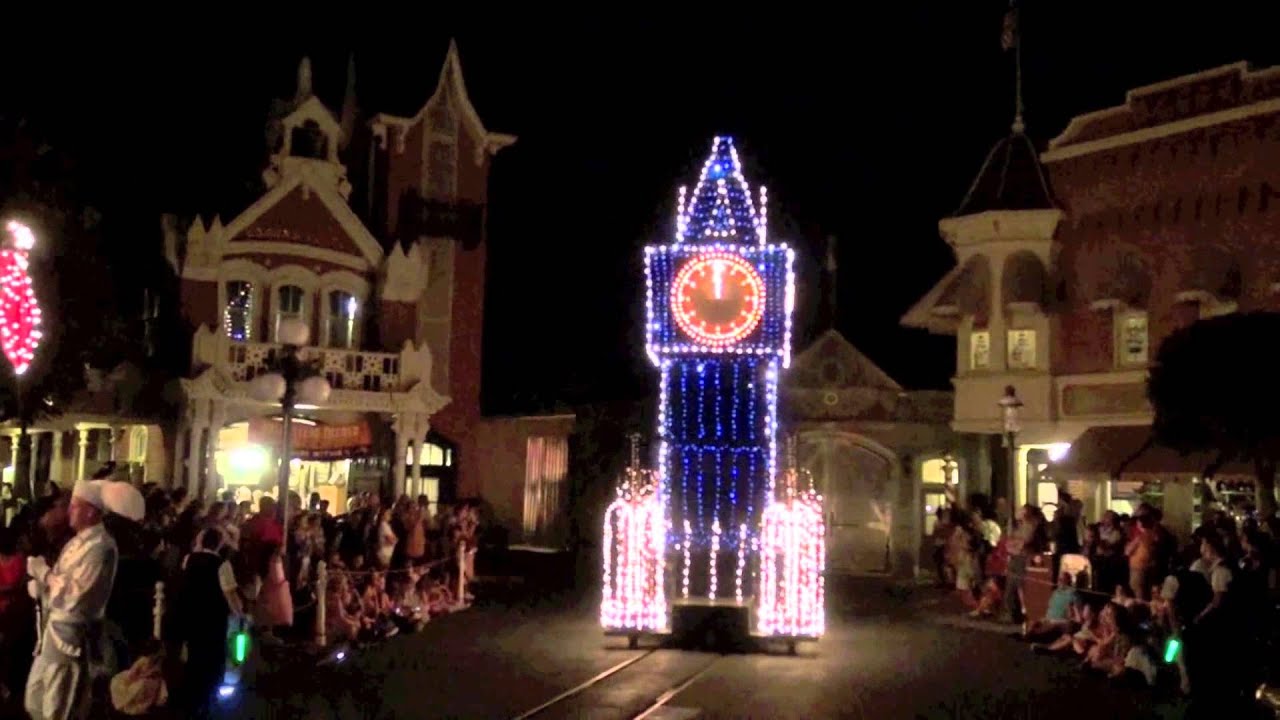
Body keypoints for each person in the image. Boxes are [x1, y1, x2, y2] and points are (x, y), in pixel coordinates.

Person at [24, 479, 120, 720]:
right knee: (34, 699)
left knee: (57, 705)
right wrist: (41, 588)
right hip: (52, 632)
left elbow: (76, 594)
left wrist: (43, 573)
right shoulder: (75, 543)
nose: (68, 511)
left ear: (90, 511)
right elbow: (60, 581)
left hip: (72, 635)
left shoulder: (101, 547)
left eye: (75, 506)